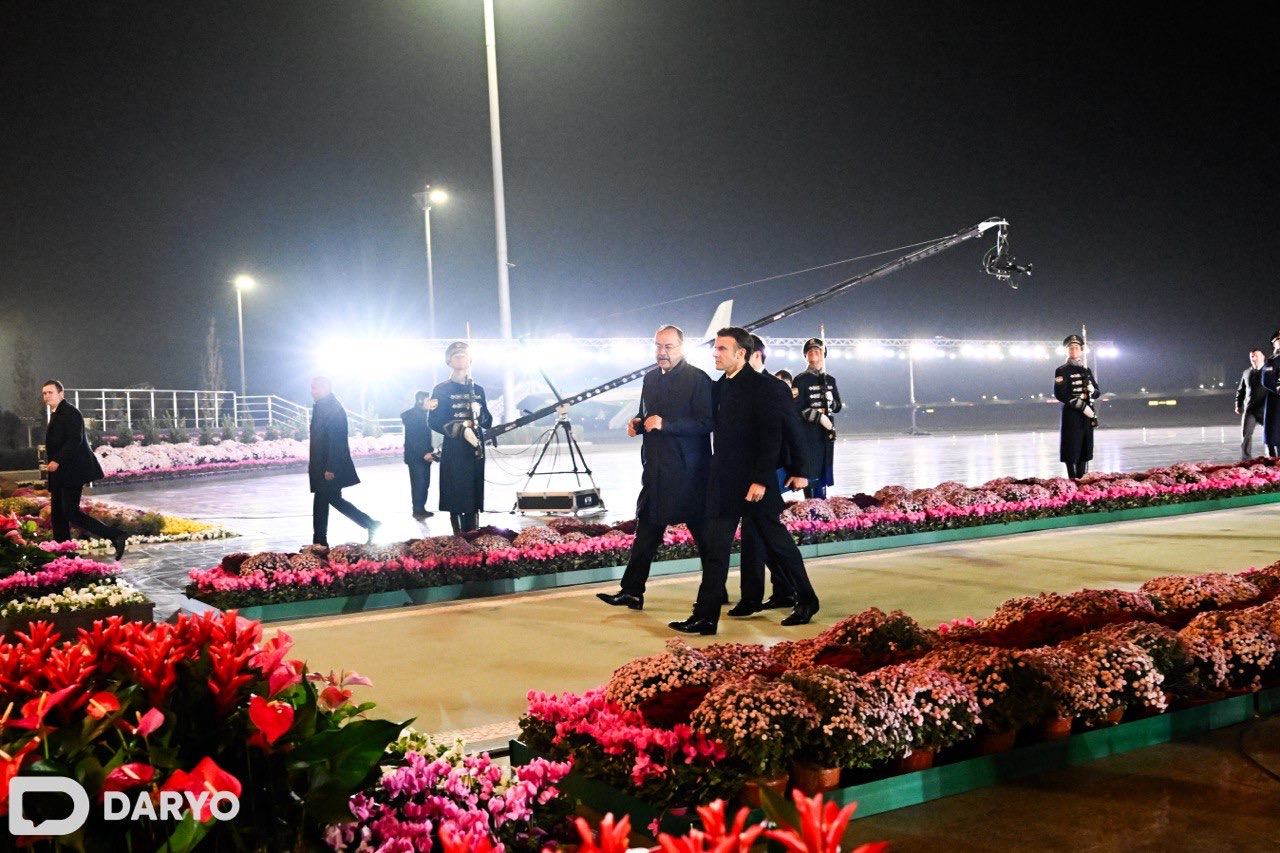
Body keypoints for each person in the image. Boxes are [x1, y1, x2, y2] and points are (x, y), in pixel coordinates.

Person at [669, 328, 820, 636]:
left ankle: (807, 599)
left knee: (778, 545)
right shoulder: (720, 387)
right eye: (716, 349)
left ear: (741, 354)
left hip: (754, 485)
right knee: (715, 549)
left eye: (722, 349)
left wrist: (766, 479)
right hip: (723, 483)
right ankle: (706, 617)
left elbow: (773, 436)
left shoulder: (767, 388)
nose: (715, 353)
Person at [597, 325, 713, 611]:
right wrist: (638, 423)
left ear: (682, 347)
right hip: (655, 470)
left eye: (669, 346)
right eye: (658, 346)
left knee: (705, 539)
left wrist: (667, 425)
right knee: (646, 531)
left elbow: (706, 423)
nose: (662, 352)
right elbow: (646, 414)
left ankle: (715, 589)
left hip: (689, 473)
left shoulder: (698, 379)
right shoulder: (650, 379)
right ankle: (632, 591)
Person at [728, 335, 810, 616]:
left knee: (763, 533)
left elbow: (791, 429)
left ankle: (785, 596)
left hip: (768, 470)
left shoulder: (774, 387)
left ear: (754, 355)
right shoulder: (733, 386)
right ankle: (782, 592)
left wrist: (800, 470)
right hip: (744, 472)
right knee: (758, 533)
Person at [41, 380, 128, 559]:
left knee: (69, 512)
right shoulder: (57, 413)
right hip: (61, 473)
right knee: (58, 514)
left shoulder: (70, 412)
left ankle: (115, 535)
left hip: (73, 471)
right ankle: (63, 554)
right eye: (44, 393)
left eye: (50, 392)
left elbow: (75, 440)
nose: (47, 396)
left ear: (61, 394)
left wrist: (57, 460)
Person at [429, 341, 493, 533]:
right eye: (456, 356)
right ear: (449, 361)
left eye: (464, 355)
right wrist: (460, 430)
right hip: (455, 445)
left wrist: (480, 412)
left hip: (475, 445)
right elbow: (433, 421)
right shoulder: (441, 389)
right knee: (456, 491)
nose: (460, 358)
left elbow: (487, 422)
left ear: (470, 359)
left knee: (474, 489)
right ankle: (459, 537)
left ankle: (473, 532)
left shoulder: (478, 389)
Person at [309, 376, 379, 546]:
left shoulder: (333, 409)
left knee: (328, 500)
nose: (312, 392)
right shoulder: (322, 407)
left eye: (314, 388)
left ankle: (369, 524)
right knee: (325, 501)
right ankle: (319, 541)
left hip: (329, 467)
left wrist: (331, 467)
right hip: (321, 465)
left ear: (325, 388)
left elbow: (337, 440)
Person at [792, 337, 842, 498]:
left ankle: (822, 503)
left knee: (824, 469)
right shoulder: (801, 379)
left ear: (823, 355)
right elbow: (797, 407)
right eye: (810, 351)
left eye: (817, 351)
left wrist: (831, 401)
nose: (813, 353)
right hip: (809, 430)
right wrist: (819, 418)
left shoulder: (830, 380)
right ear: (806, 356)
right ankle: (811, 504)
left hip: (826, 432)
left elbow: (838, 406)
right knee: (810, 468)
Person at [1053, 334, 1100, 478]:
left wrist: (1093, 390)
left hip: (1087, 415)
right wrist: (1081, 406)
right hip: (1072, 413)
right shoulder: (1062, 370)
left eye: (1076, 347)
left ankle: (1083, 476)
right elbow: (1060, 394)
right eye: (1071, 348)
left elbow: (1097, 392)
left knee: (1085, 446)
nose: (1073, 350)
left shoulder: (1087, 370)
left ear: (1081, 350)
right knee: (1071, 446)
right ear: (1067, 351)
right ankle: (1073, 477)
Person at [401, 390, 439, 519]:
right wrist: (424, 453)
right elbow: (414, 438)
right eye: (428, 400)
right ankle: (417, 509)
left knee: (424, 483)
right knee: (419, 483)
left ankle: (421, 508)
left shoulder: (425, 415)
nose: (431, 402)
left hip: (425, 455)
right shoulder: (412, 416)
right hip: (416, 457)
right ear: (420, 401)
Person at [1236, 349, 1267, 459]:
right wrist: (1238, 405)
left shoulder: (1269, 371)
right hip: (1250, 410)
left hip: (1266, 410)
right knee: (1246, 435)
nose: (1253, 358)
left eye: (1256, 356)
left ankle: (1273, 458)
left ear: (1263, 357)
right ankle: (1246, 459)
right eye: (1251, 356)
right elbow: (1241, 390)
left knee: (1271, 435)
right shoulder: (1246, 372)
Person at [1260, 332, 1280, 456]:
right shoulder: (1272, 361)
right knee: (1275, 432)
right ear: (1274, 344)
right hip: (1277, 400)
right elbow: (1266, 380)